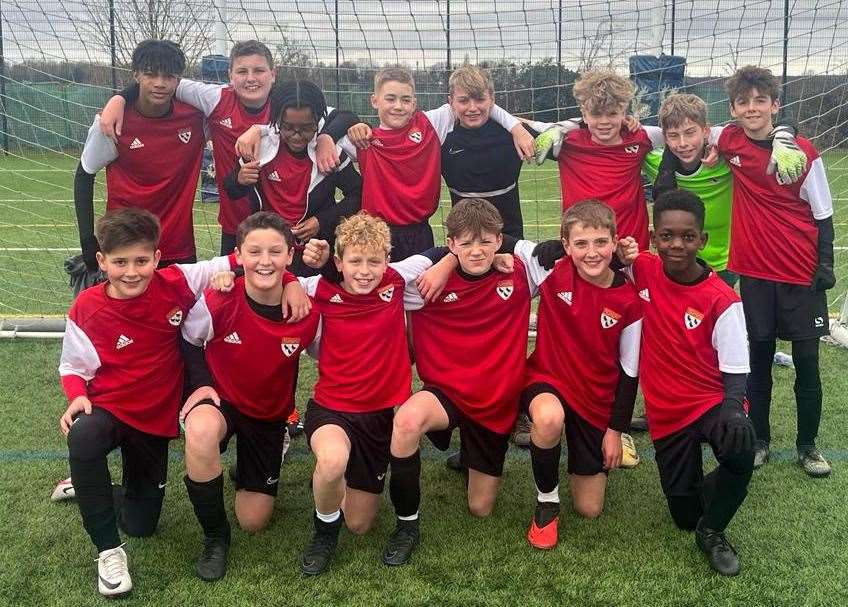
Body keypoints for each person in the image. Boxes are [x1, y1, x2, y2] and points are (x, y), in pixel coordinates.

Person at [58, 208, 237, 597]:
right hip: (108, 409)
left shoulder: (177, 282)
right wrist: (76, 398)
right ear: (102, 262)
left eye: (141, 260)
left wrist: (287, 281)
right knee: (84, 435)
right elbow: (73, 366)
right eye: (120, 262)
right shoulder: (87, 308)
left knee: (142, 524)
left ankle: (90, 487)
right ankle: (108, 551)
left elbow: (246, 256)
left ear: (157, 258)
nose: (131, 271)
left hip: (153, 419)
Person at [97, 40, 358, 255]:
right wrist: (119, 98)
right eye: (242, 72)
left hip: (294, 230)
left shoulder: (290, 108)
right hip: (236, 225)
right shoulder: (215, 98)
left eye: (259, 71)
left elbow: (345, 116)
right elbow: (161, 79)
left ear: (273, 74)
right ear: (230, 75)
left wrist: (325, 137)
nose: (251, 78)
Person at [290, 212, 442, 575]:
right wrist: (288, 280)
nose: (365, 270)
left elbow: (440, 251)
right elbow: (268, 275)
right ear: (338, 263)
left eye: (374, 260)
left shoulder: (397, 279)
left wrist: (451, 260)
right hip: (331, 410)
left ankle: (366, 498)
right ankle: (324, 533)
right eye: (355, 261)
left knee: (359, 524)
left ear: (387, 260)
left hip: (379, 416)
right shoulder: (318, 288)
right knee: (331, 461)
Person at [383, 198, 531, 566]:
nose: (476, 252)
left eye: (485, 242)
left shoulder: (522, 273)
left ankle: (468, 456)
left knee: (480, 508)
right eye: (464, 244)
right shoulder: (424, 280)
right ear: (450, 244)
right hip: (445, 392)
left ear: (500, 240)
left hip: (495, 402)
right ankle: (406, 526)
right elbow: (371, 274)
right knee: (405, 422)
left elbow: (564, 253)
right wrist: (444, 263)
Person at [260, 65, 536, 261]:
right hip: (376, 233)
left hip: (419, 232)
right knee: (377, 298)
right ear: (375, 101)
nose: (398, 106)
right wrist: (322, 138)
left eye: (405, 99)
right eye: (390, 99)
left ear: (414, 102)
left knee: (419, 303)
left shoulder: (431, 123)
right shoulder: (361, 139)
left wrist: (516, 128)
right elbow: (310, 125)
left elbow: (478, 102)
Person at [179, 212, 318, 581]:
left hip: (269, 416)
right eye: (254, 252)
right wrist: (202, 385)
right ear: (238, 255)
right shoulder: (220, 296)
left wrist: (293, 283)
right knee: (201, 430)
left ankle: (249, 467)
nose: (265, 260)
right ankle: (215, 538)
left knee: (254, 521)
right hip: (222, 402)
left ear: (291, 255)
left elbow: (348, 280)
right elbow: (189, 340)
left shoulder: (305, 308)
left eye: (275, 251)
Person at [622, 189, 754, 576]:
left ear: (702, 240)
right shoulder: (642, 268)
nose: (676, 244)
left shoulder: (722, 299)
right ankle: (701, 500)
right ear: (653, 237)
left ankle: (712, 531)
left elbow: (736, 366)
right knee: (683, 514)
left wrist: (732, 408)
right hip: (667, 411)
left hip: (711, 400)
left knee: (740, 443)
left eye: (687, 236)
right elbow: (597, 249)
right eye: (667, 236)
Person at [713, 66, 834, 476]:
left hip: (800, 274)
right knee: (758, 360)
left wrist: (826, 262)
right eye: (743, 102)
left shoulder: (802, 152)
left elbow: (824, 213)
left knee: (806, 360)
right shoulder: (728, 140)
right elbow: (683, 130)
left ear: (774, 104)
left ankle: (808, 446)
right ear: (732, 108)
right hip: (756, 275)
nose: (752, 108)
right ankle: (760, 438)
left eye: (759, 100)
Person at [511, 200, 642, 550]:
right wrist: (448, 259)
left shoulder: (630, 299)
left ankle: (588, 446)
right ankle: (547, 502)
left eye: (600, 242)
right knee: (550, 419)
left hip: (596, 399)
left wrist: (615, 431)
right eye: (581, 244)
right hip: (547, 380)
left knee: (589, 508)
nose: (591, 252)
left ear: (615, 242)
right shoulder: (552, 268)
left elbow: (630, 373)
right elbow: (501, 239)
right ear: (566, 245)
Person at [75, 40, 203, 268]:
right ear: (136, 75)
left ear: (178, 79)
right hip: (125, 247)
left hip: (177, 247)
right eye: (150, 74)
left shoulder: (195, 118)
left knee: (179, 306)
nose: (160, 83)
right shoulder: (111, 122)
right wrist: (87, 239)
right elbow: (84, 174)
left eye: (169, 76)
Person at [224, 80, 362, 276]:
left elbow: (358, 194)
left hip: (316, 252)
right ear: (277, 121)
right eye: (288, 128)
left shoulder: (329, 153)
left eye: (306, 128)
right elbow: (230, 189)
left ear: (318, 122)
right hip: (270, 250)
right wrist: (239, 179)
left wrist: (321, 221)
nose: (297, 135)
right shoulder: (261, 147)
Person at [529, 69, 664, 250]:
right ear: (584, 114)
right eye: (596, 114)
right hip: (584, 250)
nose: (604, 122)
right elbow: (514, 123)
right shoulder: (566, 140)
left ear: (624, 113)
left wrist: (715, 147)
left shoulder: (640, 137)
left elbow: (688, 132)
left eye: (612, 114)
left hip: (630, 247)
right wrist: (516, 129)